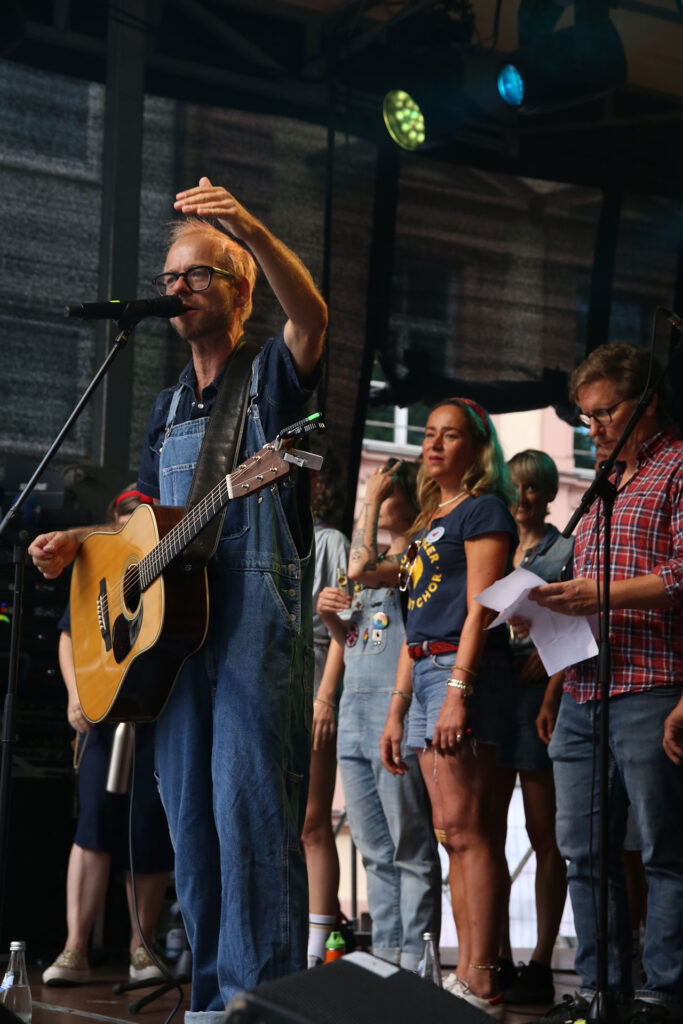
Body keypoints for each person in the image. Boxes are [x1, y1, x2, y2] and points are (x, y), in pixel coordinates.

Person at [28, 177, 327, 1021]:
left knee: (248, 823)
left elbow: (311, 320)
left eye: (195, 275)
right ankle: (205, 1000)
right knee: (189, 829)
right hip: (173, 637)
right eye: (169, 277)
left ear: (237, 293)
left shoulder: (267, 374)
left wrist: (251, 228)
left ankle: (255, 1003)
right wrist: (83, 541)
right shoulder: (164, 409)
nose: (176, 290)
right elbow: (145, 520)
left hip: (247, 627)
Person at [528, 343, 683, 1024]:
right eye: (584, 417)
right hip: (585, 691)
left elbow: (680, 578)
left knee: (665, 847)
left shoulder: (677, 465)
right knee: (582, 849)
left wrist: (600, 595)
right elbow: (581, 597)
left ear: (646, 402)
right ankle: (598, 988)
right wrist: (555, 685)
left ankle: (663, 991)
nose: (592, 428)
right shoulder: (597, 487)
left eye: (604, 413)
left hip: (653, 683)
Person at [373, 398, 517, 1019]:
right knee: (450, 834)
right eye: (428, 435)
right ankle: (466, 974)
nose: (432, 445)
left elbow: (482, 605)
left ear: (476, 448)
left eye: (448, 436)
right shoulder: (431, 520)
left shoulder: (484, 510)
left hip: (462, 670)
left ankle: (481, 979)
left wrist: (457, 687)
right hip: (427, 668)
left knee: (467, 830)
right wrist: (396, 708)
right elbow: (411, 625)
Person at [42, 486, 173, 986]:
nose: (128, 518)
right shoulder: (96, 563)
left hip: (154, 712)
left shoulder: (158, 560)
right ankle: (75, 947)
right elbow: (68, 633)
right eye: (122, 511)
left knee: (149, 828)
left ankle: (144, 949)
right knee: (93, 824)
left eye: (139, 512)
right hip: (102, 715)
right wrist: (76, 695)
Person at [317, 458, 441, 971]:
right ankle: (387, 955)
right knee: (372, 847)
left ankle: (416, 959)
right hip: (354, 713)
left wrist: (369, 500)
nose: (377, 495)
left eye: (388, 488)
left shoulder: (417, 556)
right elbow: (354, 638)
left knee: (409, 843)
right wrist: (330, 617)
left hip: (395, 712)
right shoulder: (370, 561)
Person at [495, 450, 572, 1004]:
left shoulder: (566, 549)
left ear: (547, 495)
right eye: (515, 488)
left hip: (539, 698)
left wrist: (551, 687)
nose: (522, 499)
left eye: (532, 489)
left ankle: (542, 959)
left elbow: (574, 628)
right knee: (487, 831)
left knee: (545, 833)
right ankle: (495, 955)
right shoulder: (493, 541)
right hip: (493, 694)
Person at [301, 456, 348, 967]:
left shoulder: (329, 541)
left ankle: (318, 955)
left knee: (313, 822)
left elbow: (343, 628)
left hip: (311, 675)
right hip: (265, 679)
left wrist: (325, 695)